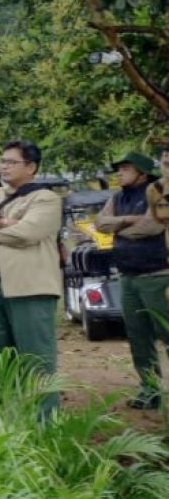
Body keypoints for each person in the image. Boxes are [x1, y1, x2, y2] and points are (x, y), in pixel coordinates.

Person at [0, 140, 62, 414]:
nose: (4, 167)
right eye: (2, 161)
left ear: (31, 167)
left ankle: (45, 422)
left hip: (30, 289)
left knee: (36, 358)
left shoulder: (46, 198)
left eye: (11, 162)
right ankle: (7, 418)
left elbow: (27, 233)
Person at [94, 151, 169, 409]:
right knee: (138, 336)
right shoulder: (118, 198)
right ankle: (150, 389)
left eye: (126, 168)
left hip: (157, 276)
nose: (120, 172)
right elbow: (100, 224)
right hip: (128, 276)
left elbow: (152, 226)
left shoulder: (158, 192)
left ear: (142, 172)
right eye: (119, 168)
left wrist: (122, 231)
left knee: (166, 331)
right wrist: (126, 220)